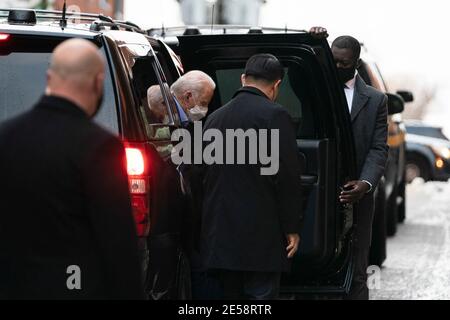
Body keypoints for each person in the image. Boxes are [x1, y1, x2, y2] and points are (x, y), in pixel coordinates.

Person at [0, 38, 144, 300]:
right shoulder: (100, 147)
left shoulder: (6, 136)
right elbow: (117, 244)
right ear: (98, 82)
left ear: (48, 78)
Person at [198, 54, 303, 300]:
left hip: (220, 237)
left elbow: (203, 174)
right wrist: (291, 228)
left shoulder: (214, 119)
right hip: (260, 238)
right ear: (277, 85)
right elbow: (286, 177)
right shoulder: (275, 116)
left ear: (243, 78)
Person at [310, 27, 389, 300]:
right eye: (333, 60)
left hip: (358, 196)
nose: (337, 66)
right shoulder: (317, 88)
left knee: (357, 265)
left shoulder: (376, 100)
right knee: (315, 263)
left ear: (356, 63)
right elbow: (297, 83)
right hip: (319, 188)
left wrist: (365, 184)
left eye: (343, 63)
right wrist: (314, 41)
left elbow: (379, 148)